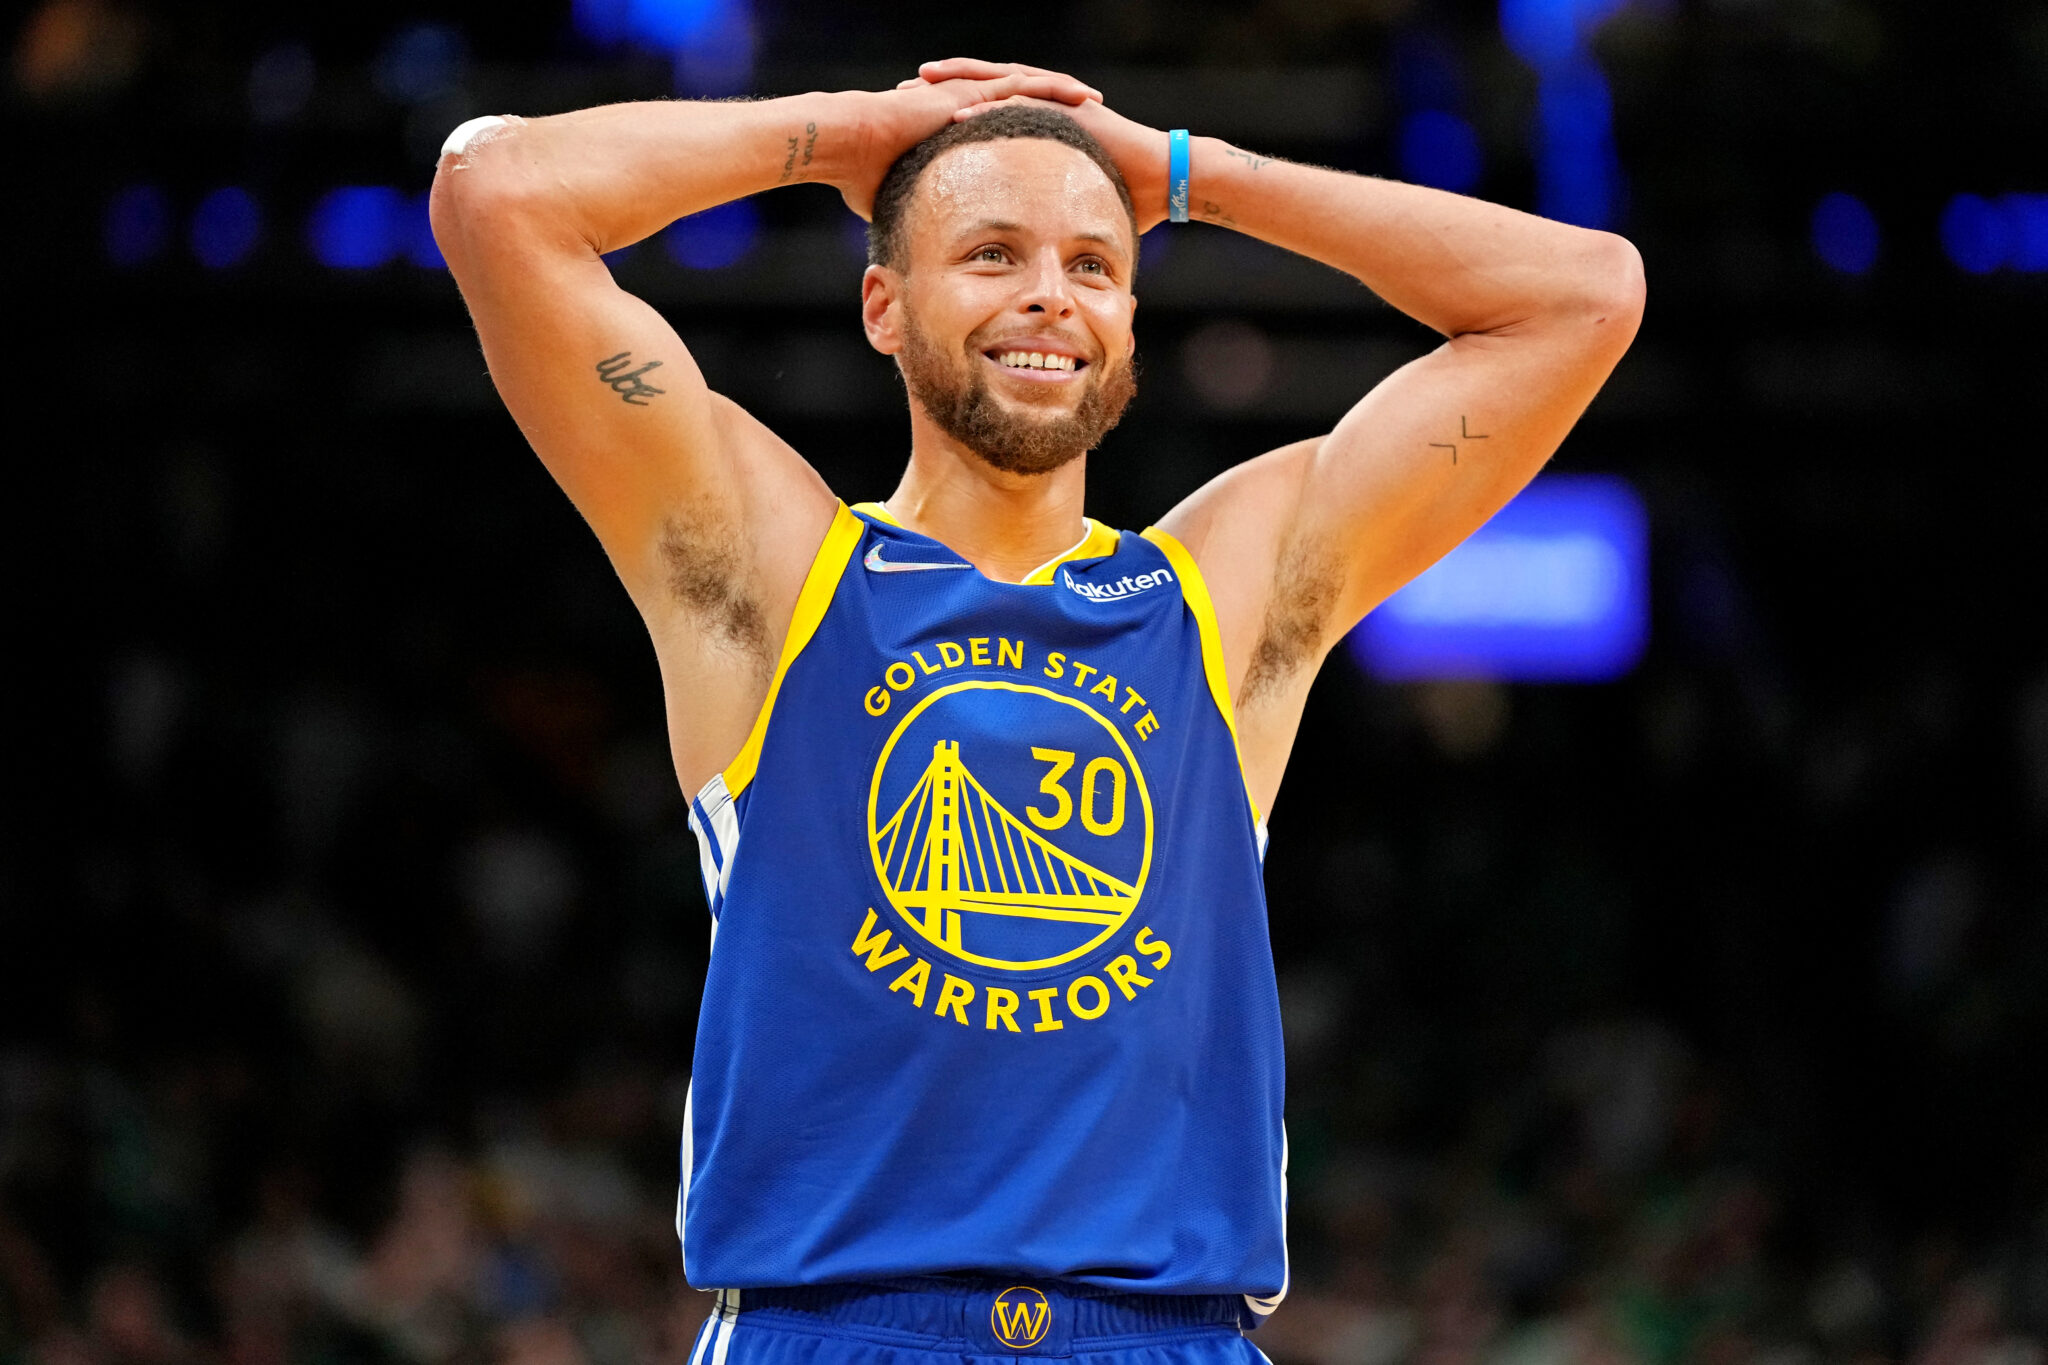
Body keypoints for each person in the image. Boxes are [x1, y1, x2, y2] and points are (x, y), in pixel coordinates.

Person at [430, 55, 1643, 1365]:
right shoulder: (774, 571)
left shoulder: (1225, 596)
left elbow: (1583, 295)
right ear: (883, 304)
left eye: (1093, 265)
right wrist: (850, 136)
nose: (1050, 295)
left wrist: (1187, 174)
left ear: (1130, 322)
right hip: (837, 1330)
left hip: (1164, 1334)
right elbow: (496, 191)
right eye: (992, 254)